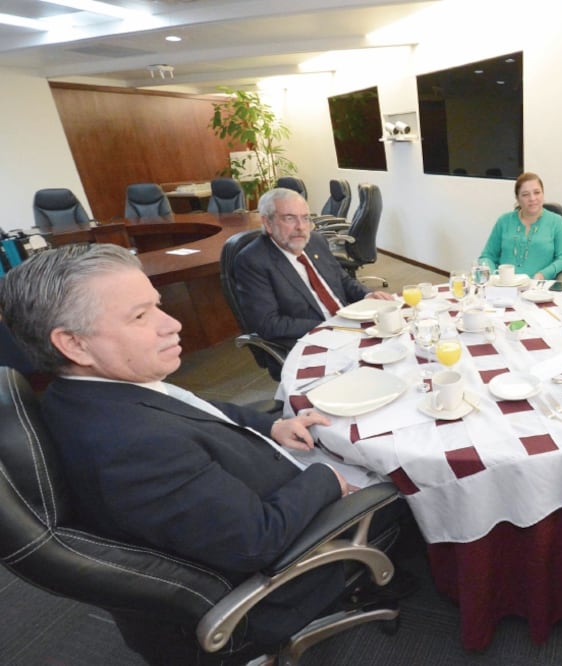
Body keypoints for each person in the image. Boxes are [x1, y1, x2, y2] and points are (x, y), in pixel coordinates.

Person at [0, 243, 405, 662]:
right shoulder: (135, 448)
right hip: (284, 565)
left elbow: (196, 410)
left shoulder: (90, 394)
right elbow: (257, 541)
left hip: (256, 476)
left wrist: (273, 425)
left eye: (157, 305)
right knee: (406, 472)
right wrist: (327, 480)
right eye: (140, 316)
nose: (172, 323)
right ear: (74, 344)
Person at [234, 187, 394, 354]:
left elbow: (343, 280)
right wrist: (332, 324)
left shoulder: (316, 241)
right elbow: (269, 324)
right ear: (268, 223)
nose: (301, 227)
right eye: (289, 218)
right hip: (311, 340)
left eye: (305, 218)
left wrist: (366, 295)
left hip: (348, 326)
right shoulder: (252, 261)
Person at [477, 172, 562, 280]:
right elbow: (487, 256)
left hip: (539, 288)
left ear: (543, 194)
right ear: (517, 198)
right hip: (505, 288)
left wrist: (543, 274)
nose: (532, 198)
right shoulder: (503, 221)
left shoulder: (556, 221)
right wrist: (490, 274)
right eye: (525, 194)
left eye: (537, 192)